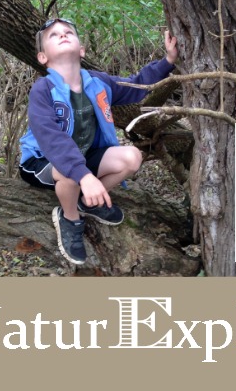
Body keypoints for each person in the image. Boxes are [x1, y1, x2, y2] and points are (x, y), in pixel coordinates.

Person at [19, 17, 178, 266]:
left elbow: (136, 85)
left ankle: (85, 202)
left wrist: (168, 61)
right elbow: (52, 139)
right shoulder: (43, 90)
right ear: (42, 57)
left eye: (68, 32)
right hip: (42, 162)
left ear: (81, 50)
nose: (62, 35)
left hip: (83, 161)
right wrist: (84, 176)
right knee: (69, 170)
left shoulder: (98, 83)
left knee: (132, 157)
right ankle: (69, 217)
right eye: (53, 35)